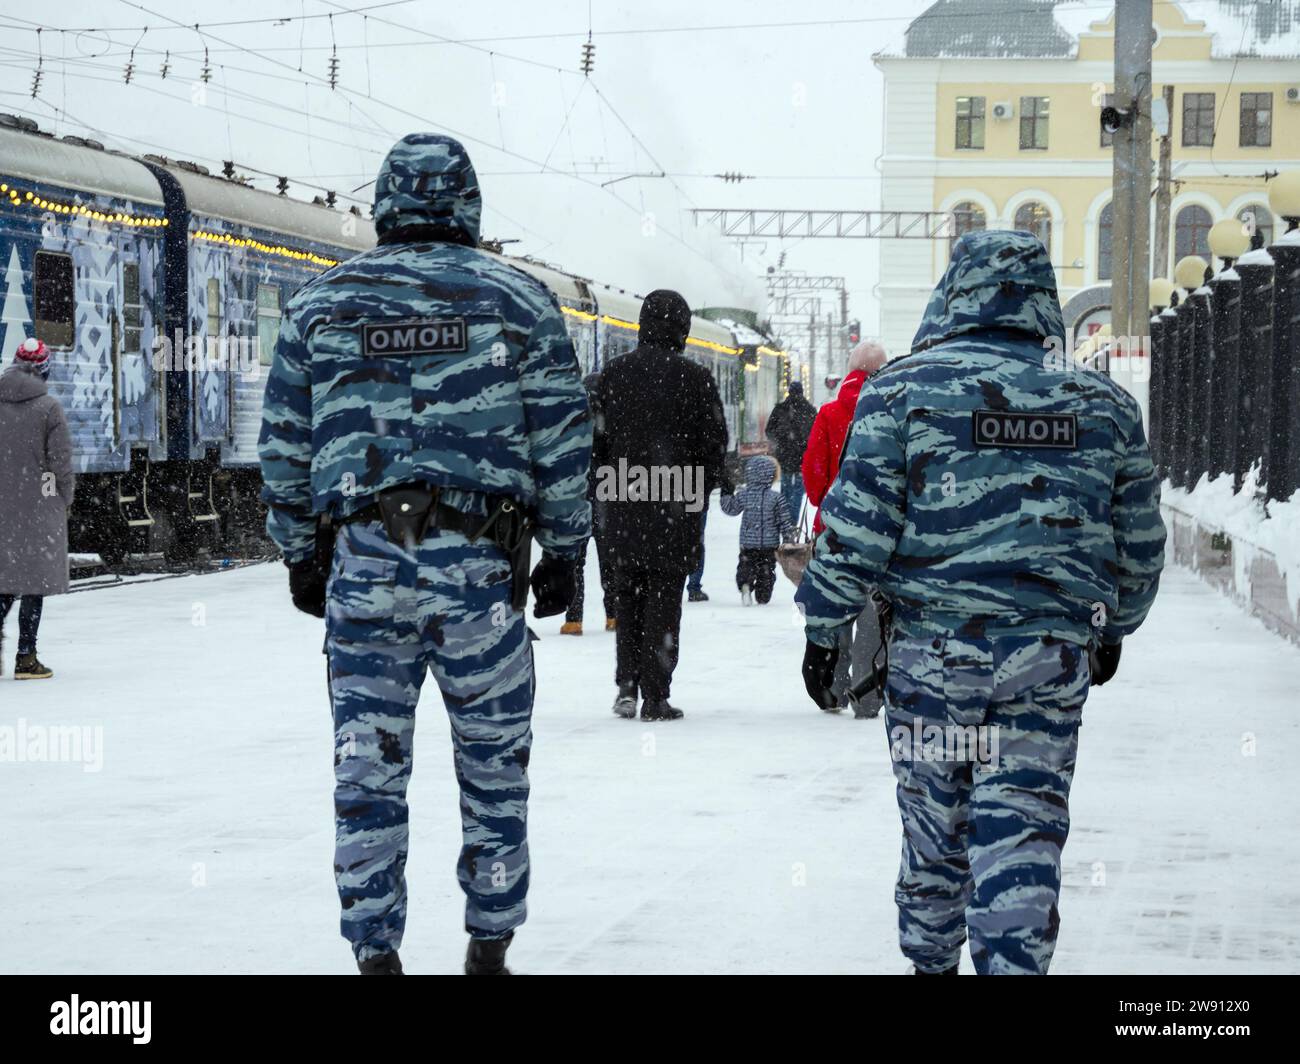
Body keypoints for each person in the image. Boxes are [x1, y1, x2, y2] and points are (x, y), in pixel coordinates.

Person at [258, 133, 592, 976]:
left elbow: (285, 447)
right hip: (481, 574)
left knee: (366, 775)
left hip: (364, 566)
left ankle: (376, 954)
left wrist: (302, 551)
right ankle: (490, 945)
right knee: (494, 770)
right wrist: (565, 548)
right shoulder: (520, 302)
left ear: (385, 201)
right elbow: (560, 435)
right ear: (468, 201)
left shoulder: (320, 306)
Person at [795, 230, 1165, 976]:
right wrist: (1112, 625)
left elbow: (856, 530)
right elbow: (1139, 546)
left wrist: (824, 628)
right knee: (1023, 833)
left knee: (935, 827)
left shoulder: (900, 393)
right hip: (1048, 659)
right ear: (1041, 301)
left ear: (953, 294)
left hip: (933, 660)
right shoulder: (1102, 406)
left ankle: (931, 964)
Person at [593, 289, 727, 721]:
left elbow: (597, 442)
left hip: (625, 497)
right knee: (665, 599)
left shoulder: (612, 375)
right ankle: (656, 695)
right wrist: (698, 493)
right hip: (675, 501)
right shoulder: (696, 378)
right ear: (682, 328)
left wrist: (604, 487)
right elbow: (714, 444)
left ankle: (627, 686)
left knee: (628, 594)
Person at [802, 339, 888, 717]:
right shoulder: (890, 410)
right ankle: (866, 692)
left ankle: (833, 687)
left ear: (852, 370)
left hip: (835, 529)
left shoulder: (830, 413)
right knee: (872, 610)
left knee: (837, 605)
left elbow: (813, 472)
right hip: (881, 531)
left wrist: (829, 502)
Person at [0, 338, 74, 680]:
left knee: (3, 580)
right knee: (32, 581)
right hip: (37, 505)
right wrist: (64, 499)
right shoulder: (48, 408)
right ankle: (26, 658)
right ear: (44, 370)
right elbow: (60, 464)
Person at [561, 372, 618, 635]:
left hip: (579, 495)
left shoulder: (574, 419)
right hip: (607, 493)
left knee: (576, 560)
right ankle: (614, 616)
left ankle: (574, 619)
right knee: (610, 558)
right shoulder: (615, 417)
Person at [719, 454, 793, 606]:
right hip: (769, 544)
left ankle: (745, 584)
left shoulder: (744, 495)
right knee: (767, 570)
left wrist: (726, 492)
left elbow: (730, 509)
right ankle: (763, 595)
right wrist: (788, 538)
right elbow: (784, 521)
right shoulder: (776, 498)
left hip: (748, 543)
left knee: (746, 565)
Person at [764, 380, 816, 522]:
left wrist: (780, 441)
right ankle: (793, 521)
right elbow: (816, 434)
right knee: (799, 489)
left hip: (785, 455)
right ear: (802, 392)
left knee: (786, 488)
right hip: (802, 456)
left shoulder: (780, 409)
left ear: (789, 392)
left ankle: (785, 519)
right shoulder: (810, 410)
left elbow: (769, 430)